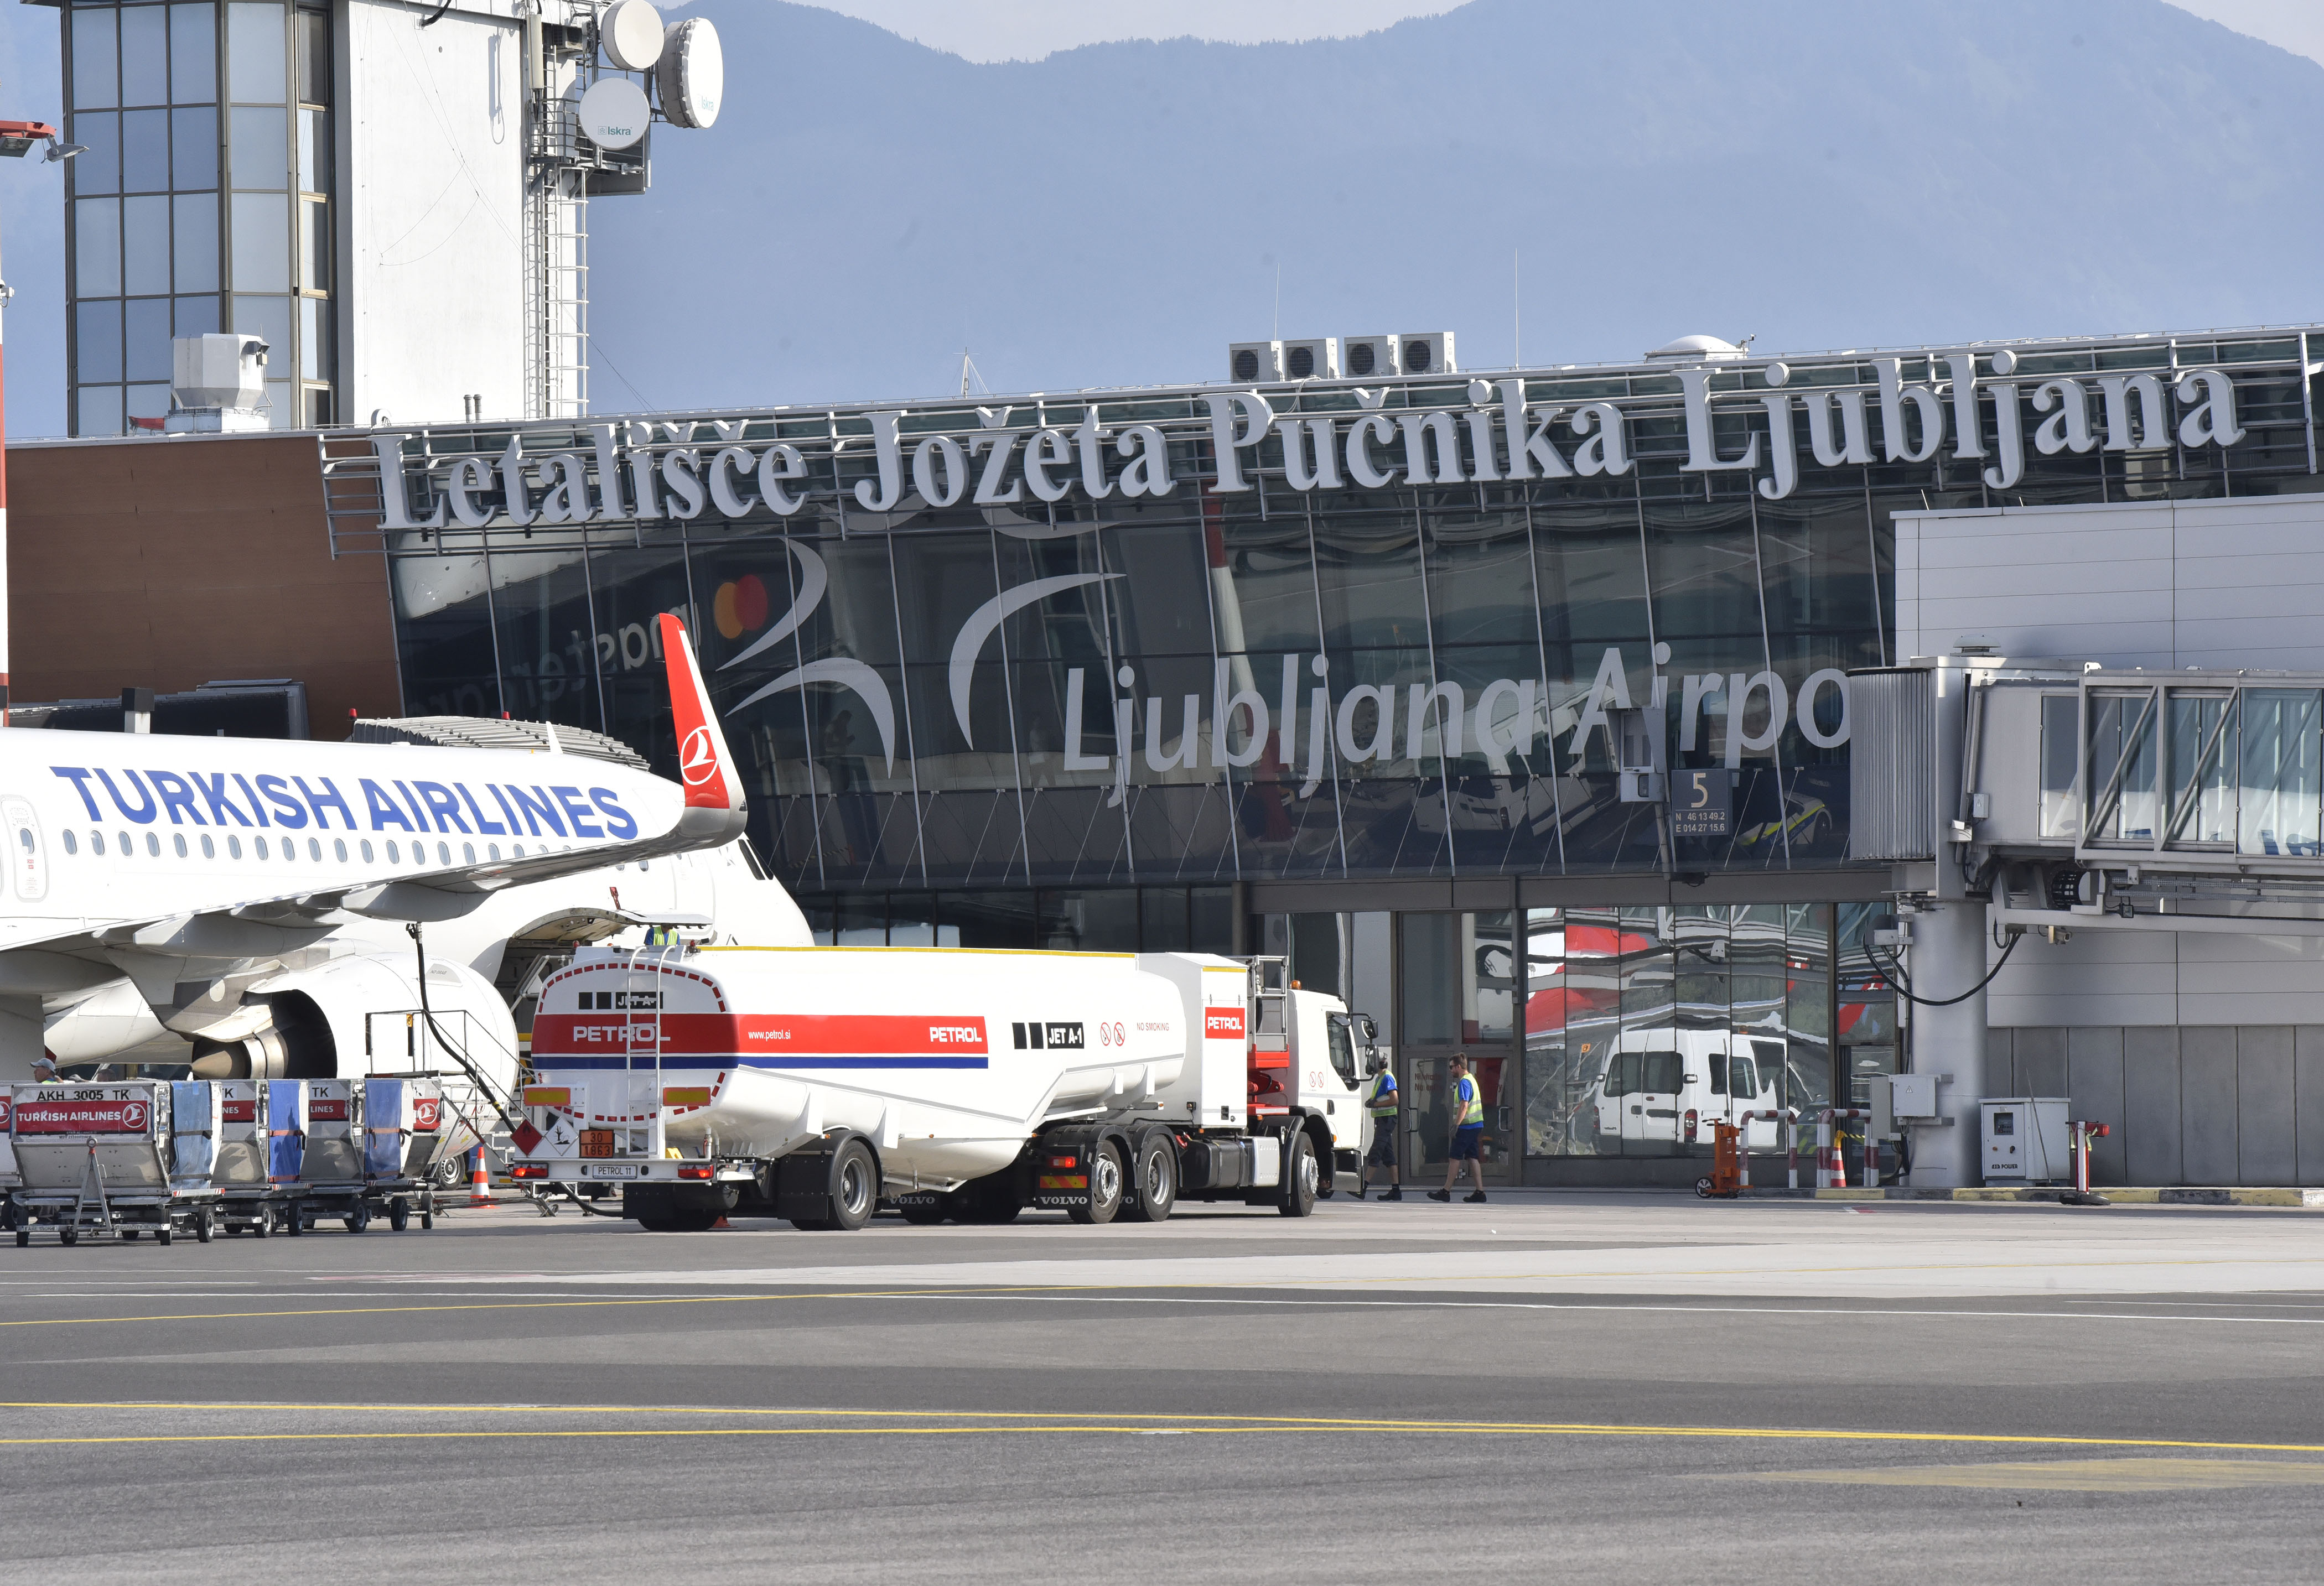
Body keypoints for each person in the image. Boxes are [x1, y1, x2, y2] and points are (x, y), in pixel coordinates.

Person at [1429, 1053, 1487, 1203]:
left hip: (1466, 1126)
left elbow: (1464, 1105)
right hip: (1475, 1125)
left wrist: (1456, 1125)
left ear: (1459, 1067)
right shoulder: (1472, 1079)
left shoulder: (1464, 1083)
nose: (1450, 1070)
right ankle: (1480, 1192)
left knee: (1454, 1157)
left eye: (1451, 1067)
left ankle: (1446, 1191)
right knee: (1472, 1157)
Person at [1358, 1060, 1402, 1200]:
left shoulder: (1387, 1077)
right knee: (1389, 1156)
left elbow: (1395, 1100)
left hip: (1387, 1120)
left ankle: (1363, 1188)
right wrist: (1371, 1102)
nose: (1369, 1066)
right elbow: (1382, 1097)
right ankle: (1396, 1191)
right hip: (1383, 1120)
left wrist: (1375, 1104)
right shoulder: (1379, 1078)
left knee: (1375, 1153)